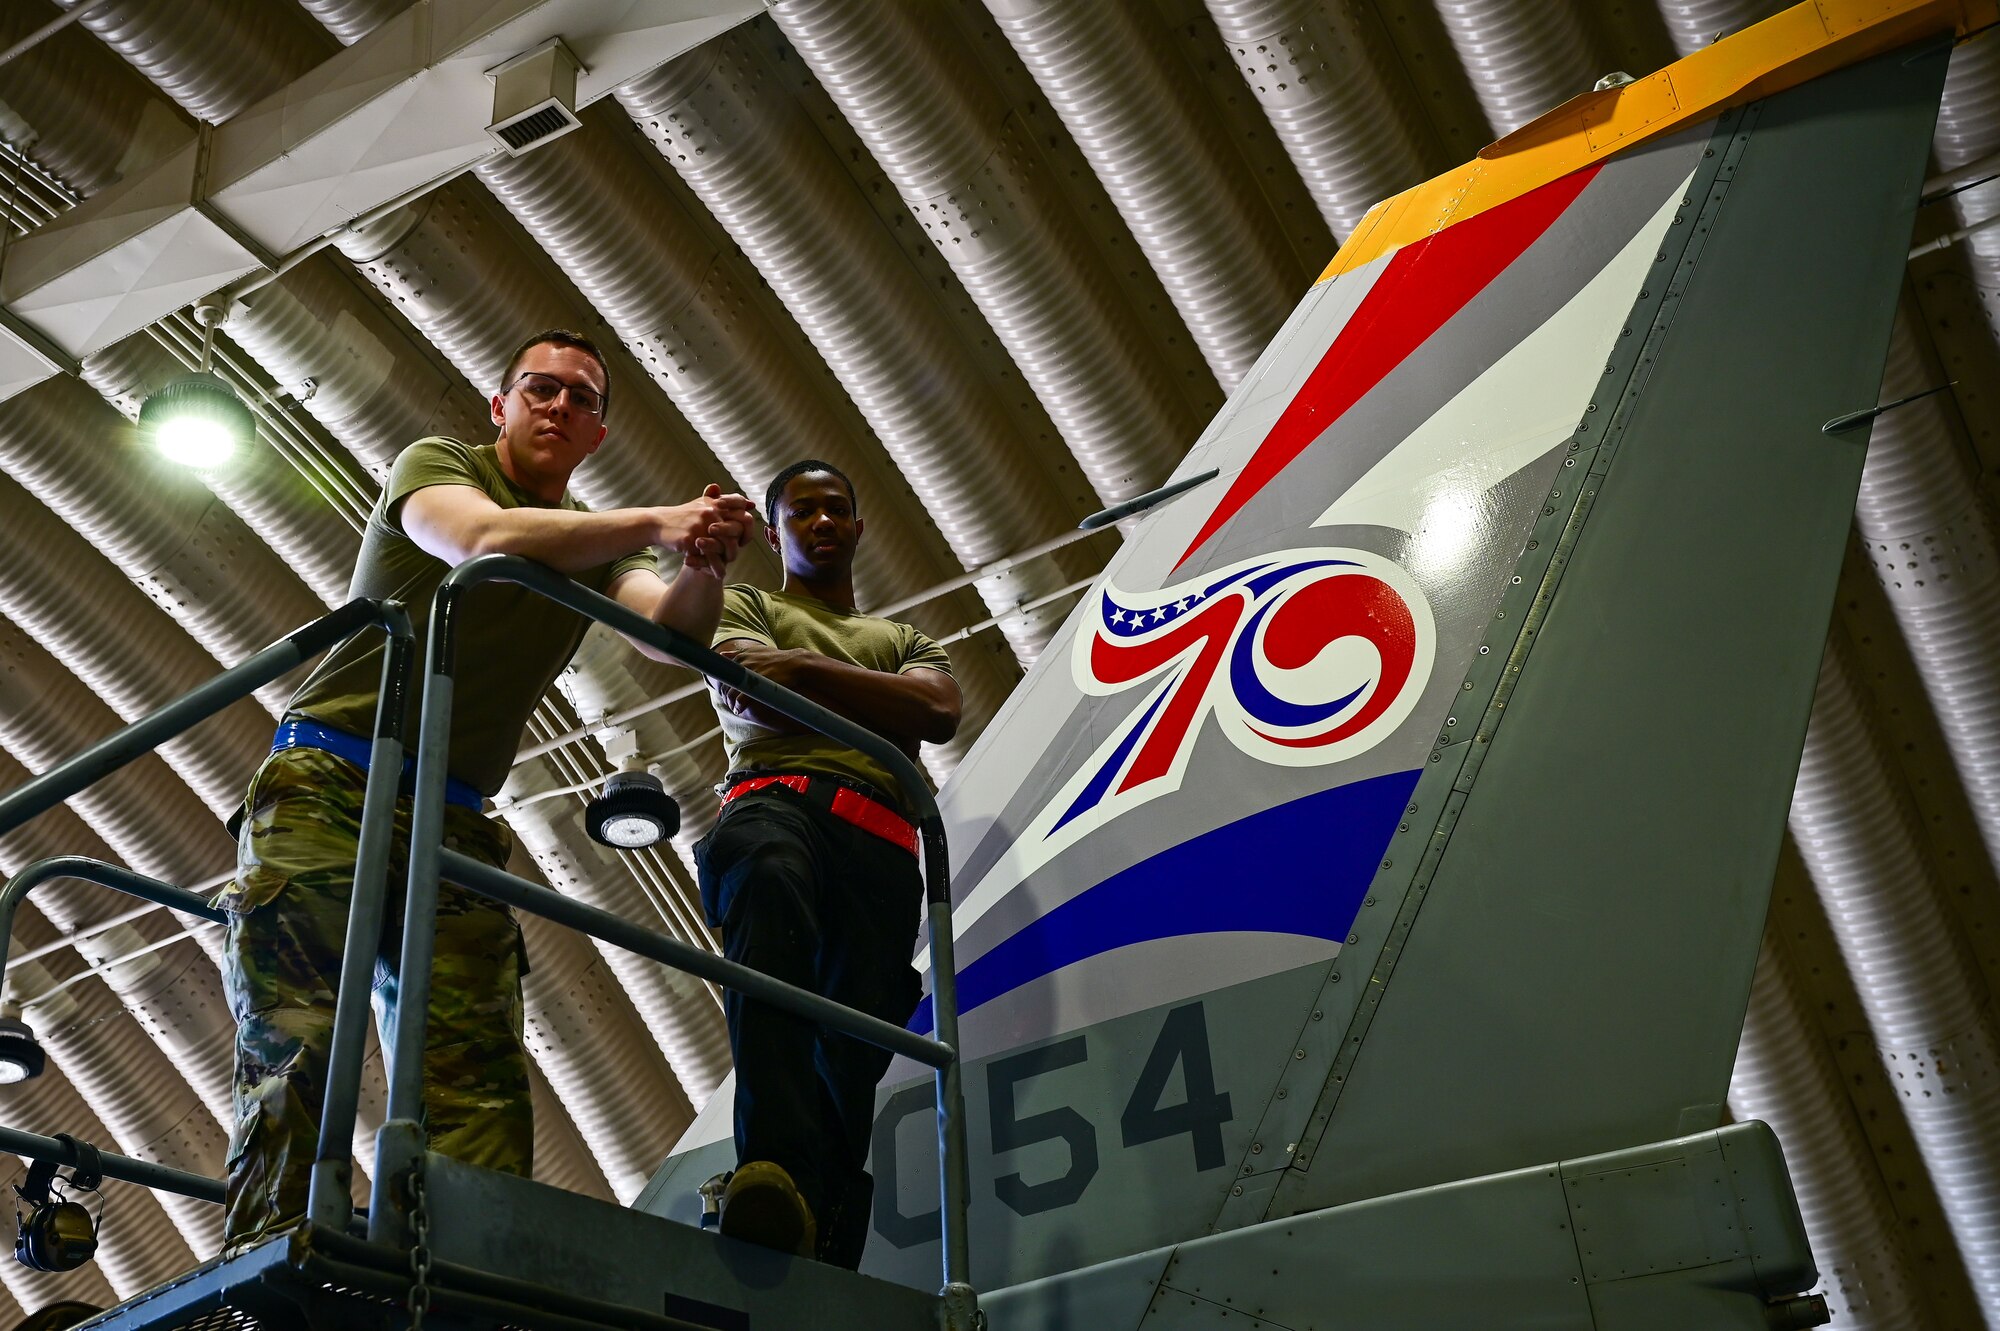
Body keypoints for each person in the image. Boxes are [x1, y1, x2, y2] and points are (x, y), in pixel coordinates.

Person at [216, 329, 756, 1249]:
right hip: (330, 776)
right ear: (499, 407)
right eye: (539, 389)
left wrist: (698, 566)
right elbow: (477, 540)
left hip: (456, 816)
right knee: (297, 1031)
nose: (557, 405)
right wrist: (662, 521)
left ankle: (455, 1266)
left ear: (598, 434)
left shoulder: (592, 542)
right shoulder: (440, 465)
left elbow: (670, 635)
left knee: (476, 1070)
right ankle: (273, 1249)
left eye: (581, 398)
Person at [696, 459, 961, 1268]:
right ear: (773, 533)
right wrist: (876, 696)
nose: (821, 520)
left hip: (883, 845)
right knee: (770, 891)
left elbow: (941, 710)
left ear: (855, 527)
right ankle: (767, 1173)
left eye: (835, 508)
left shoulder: (909, 637)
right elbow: (749, 691)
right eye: (802, 510)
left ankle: (823, 1226)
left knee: (854, 1040)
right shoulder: (744, 604)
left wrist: (804, 669)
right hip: (775, 803)